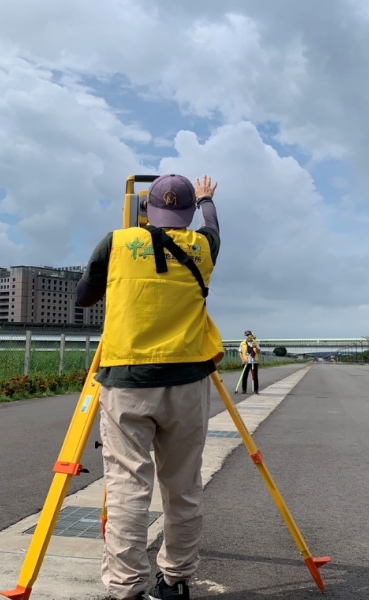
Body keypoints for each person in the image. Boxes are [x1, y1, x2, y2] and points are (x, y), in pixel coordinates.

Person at [75, 173, 223, 600]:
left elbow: (83, 297)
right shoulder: (204, 246)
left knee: (126, 487)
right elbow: (212, 227)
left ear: (147, 210)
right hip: (188, 383)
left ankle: (126, 588)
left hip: (127, 382)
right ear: (189, 212)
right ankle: (175, 581)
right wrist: (206, 199)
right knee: (183, 487)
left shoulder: (116, 242)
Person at [239, 330, 260, 394]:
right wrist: (242, 359)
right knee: (244, 376)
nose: (248, 337)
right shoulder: (242, 343)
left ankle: (256, 390)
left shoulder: (255, 343)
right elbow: (240, 352)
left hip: (254, 362)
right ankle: (244, 389)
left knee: (255, 376)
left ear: (252, 335)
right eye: (247, 335)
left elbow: (259, 352)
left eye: (249, 335)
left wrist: (256, 347)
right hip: (246, 361)